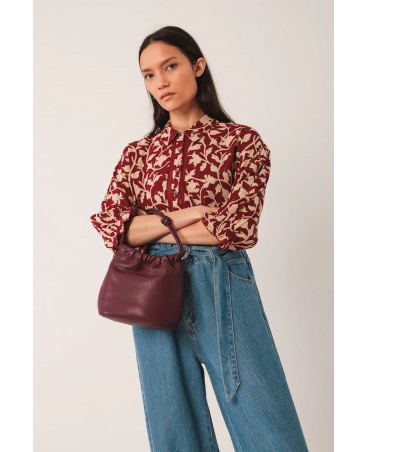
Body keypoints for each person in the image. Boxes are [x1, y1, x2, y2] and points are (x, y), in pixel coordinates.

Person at [90, 25, 309, 452]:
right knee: (172, 422)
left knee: (261, 413)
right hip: (151, 288)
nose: (161, 82)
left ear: (198, 66)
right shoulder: (138, 153)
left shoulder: (241, 142)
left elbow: (238, 226)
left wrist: (150, 224)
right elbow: (114, 227)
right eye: (149, 74)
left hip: (221, 281)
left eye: (170, 66)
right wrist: (188, 214)